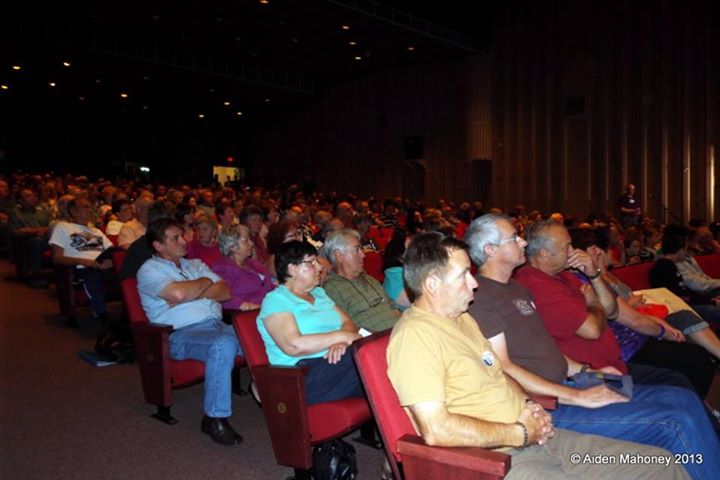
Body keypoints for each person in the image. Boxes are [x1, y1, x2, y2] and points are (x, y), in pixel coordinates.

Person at [387, 231, 688, 480]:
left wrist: (529, 405)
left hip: (540, 438)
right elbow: (436, 429)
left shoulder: (462, 319)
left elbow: (499, 373)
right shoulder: (415, 336)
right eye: (463, 275)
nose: (474, 282)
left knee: (660, 464)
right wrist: (518, 432)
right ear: (432, 285)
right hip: (497, 461)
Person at [464, 214, 720, 478]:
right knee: (677, 423)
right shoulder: (480, 298)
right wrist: (577, 395)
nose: (522, 242)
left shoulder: (517, 289)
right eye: (513, 238)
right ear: (490, 250)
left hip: (572, 382)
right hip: (551, 403)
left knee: (683, 398)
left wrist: (588, 372)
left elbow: (547, 350)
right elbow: (503, 368)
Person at [514, 220, 699, 392]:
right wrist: (594, 303)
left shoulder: (565, 276)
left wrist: (593, 274)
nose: (572, 251)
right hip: (591, 377)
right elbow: (593, 329)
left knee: (684, 373)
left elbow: (611, 310)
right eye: (566, 247)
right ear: (544, 253)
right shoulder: (536, 283)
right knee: (680, 382)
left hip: (613, 365)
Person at [137, 218, 243, 446]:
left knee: (261, 336)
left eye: (182, 235)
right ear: (158, 246)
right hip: (180, 334)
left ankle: (283, 400)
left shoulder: (194, 265)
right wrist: (204, 284)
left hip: (216, 326)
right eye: (175, 238)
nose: (183, 240)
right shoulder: (149, 270)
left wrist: (193, 289)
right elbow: (177, 295)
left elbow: (225, 292)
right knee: (223, 345)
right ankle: (214, 418)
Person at [256, 241, 364, 405]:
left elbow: (348, 323)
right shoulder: (276, 300)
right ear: (292, 269)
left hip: (337, 363)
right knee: (371, 359)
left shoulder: (319, 293)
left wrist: (342, 341)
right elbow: (294, 346)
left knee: (377, 367)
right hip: (302, 375)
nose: (320, 268)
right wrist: (342, 336)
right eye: (312, 263)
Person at [49, 197, 115, 323]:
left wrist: (111, 262)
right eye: (85, 207)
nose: (90, 210)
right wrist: (81, 261)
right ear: (73, 211)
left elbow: (112, 251)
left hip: (100, 266)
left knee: (123, 264)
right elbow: (56, 258)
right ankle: (101, 314)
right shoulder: (63, 227)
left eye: (90, 207)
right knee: (92, 274)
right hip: (80, 270)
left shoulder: (96, 231)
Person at [321, 229, 400, 332]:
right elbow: (346, 328)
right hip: (375, 343)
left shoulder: (370, 279)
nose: (363, 255)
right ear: (339, 255)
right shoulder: (331, 289)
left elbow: (395, 309)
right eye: (356, 250)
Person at [212, 225, 274, 311]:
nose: (251, 244)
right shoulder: (223, 268)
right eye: (246, 241)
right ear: (233, 247)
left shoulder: (254, 264)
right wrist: (246, 306)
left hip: (271, 307)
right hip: (249, 314)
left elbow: (271, 288)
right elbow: (222, 296)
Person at [9, 188, 51, 288]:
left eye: (34, 195)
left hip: (45, 239)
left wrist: (31, 229)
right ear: (21, 200)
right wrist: (36, 231)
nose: (33, 198)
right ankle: (34, 276)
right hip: (26, 241)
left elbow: (49, 227)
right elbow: (17, 231)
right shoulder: (15, 213)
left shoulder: (41, 212)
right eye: (28, 196)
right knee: (37, 242)